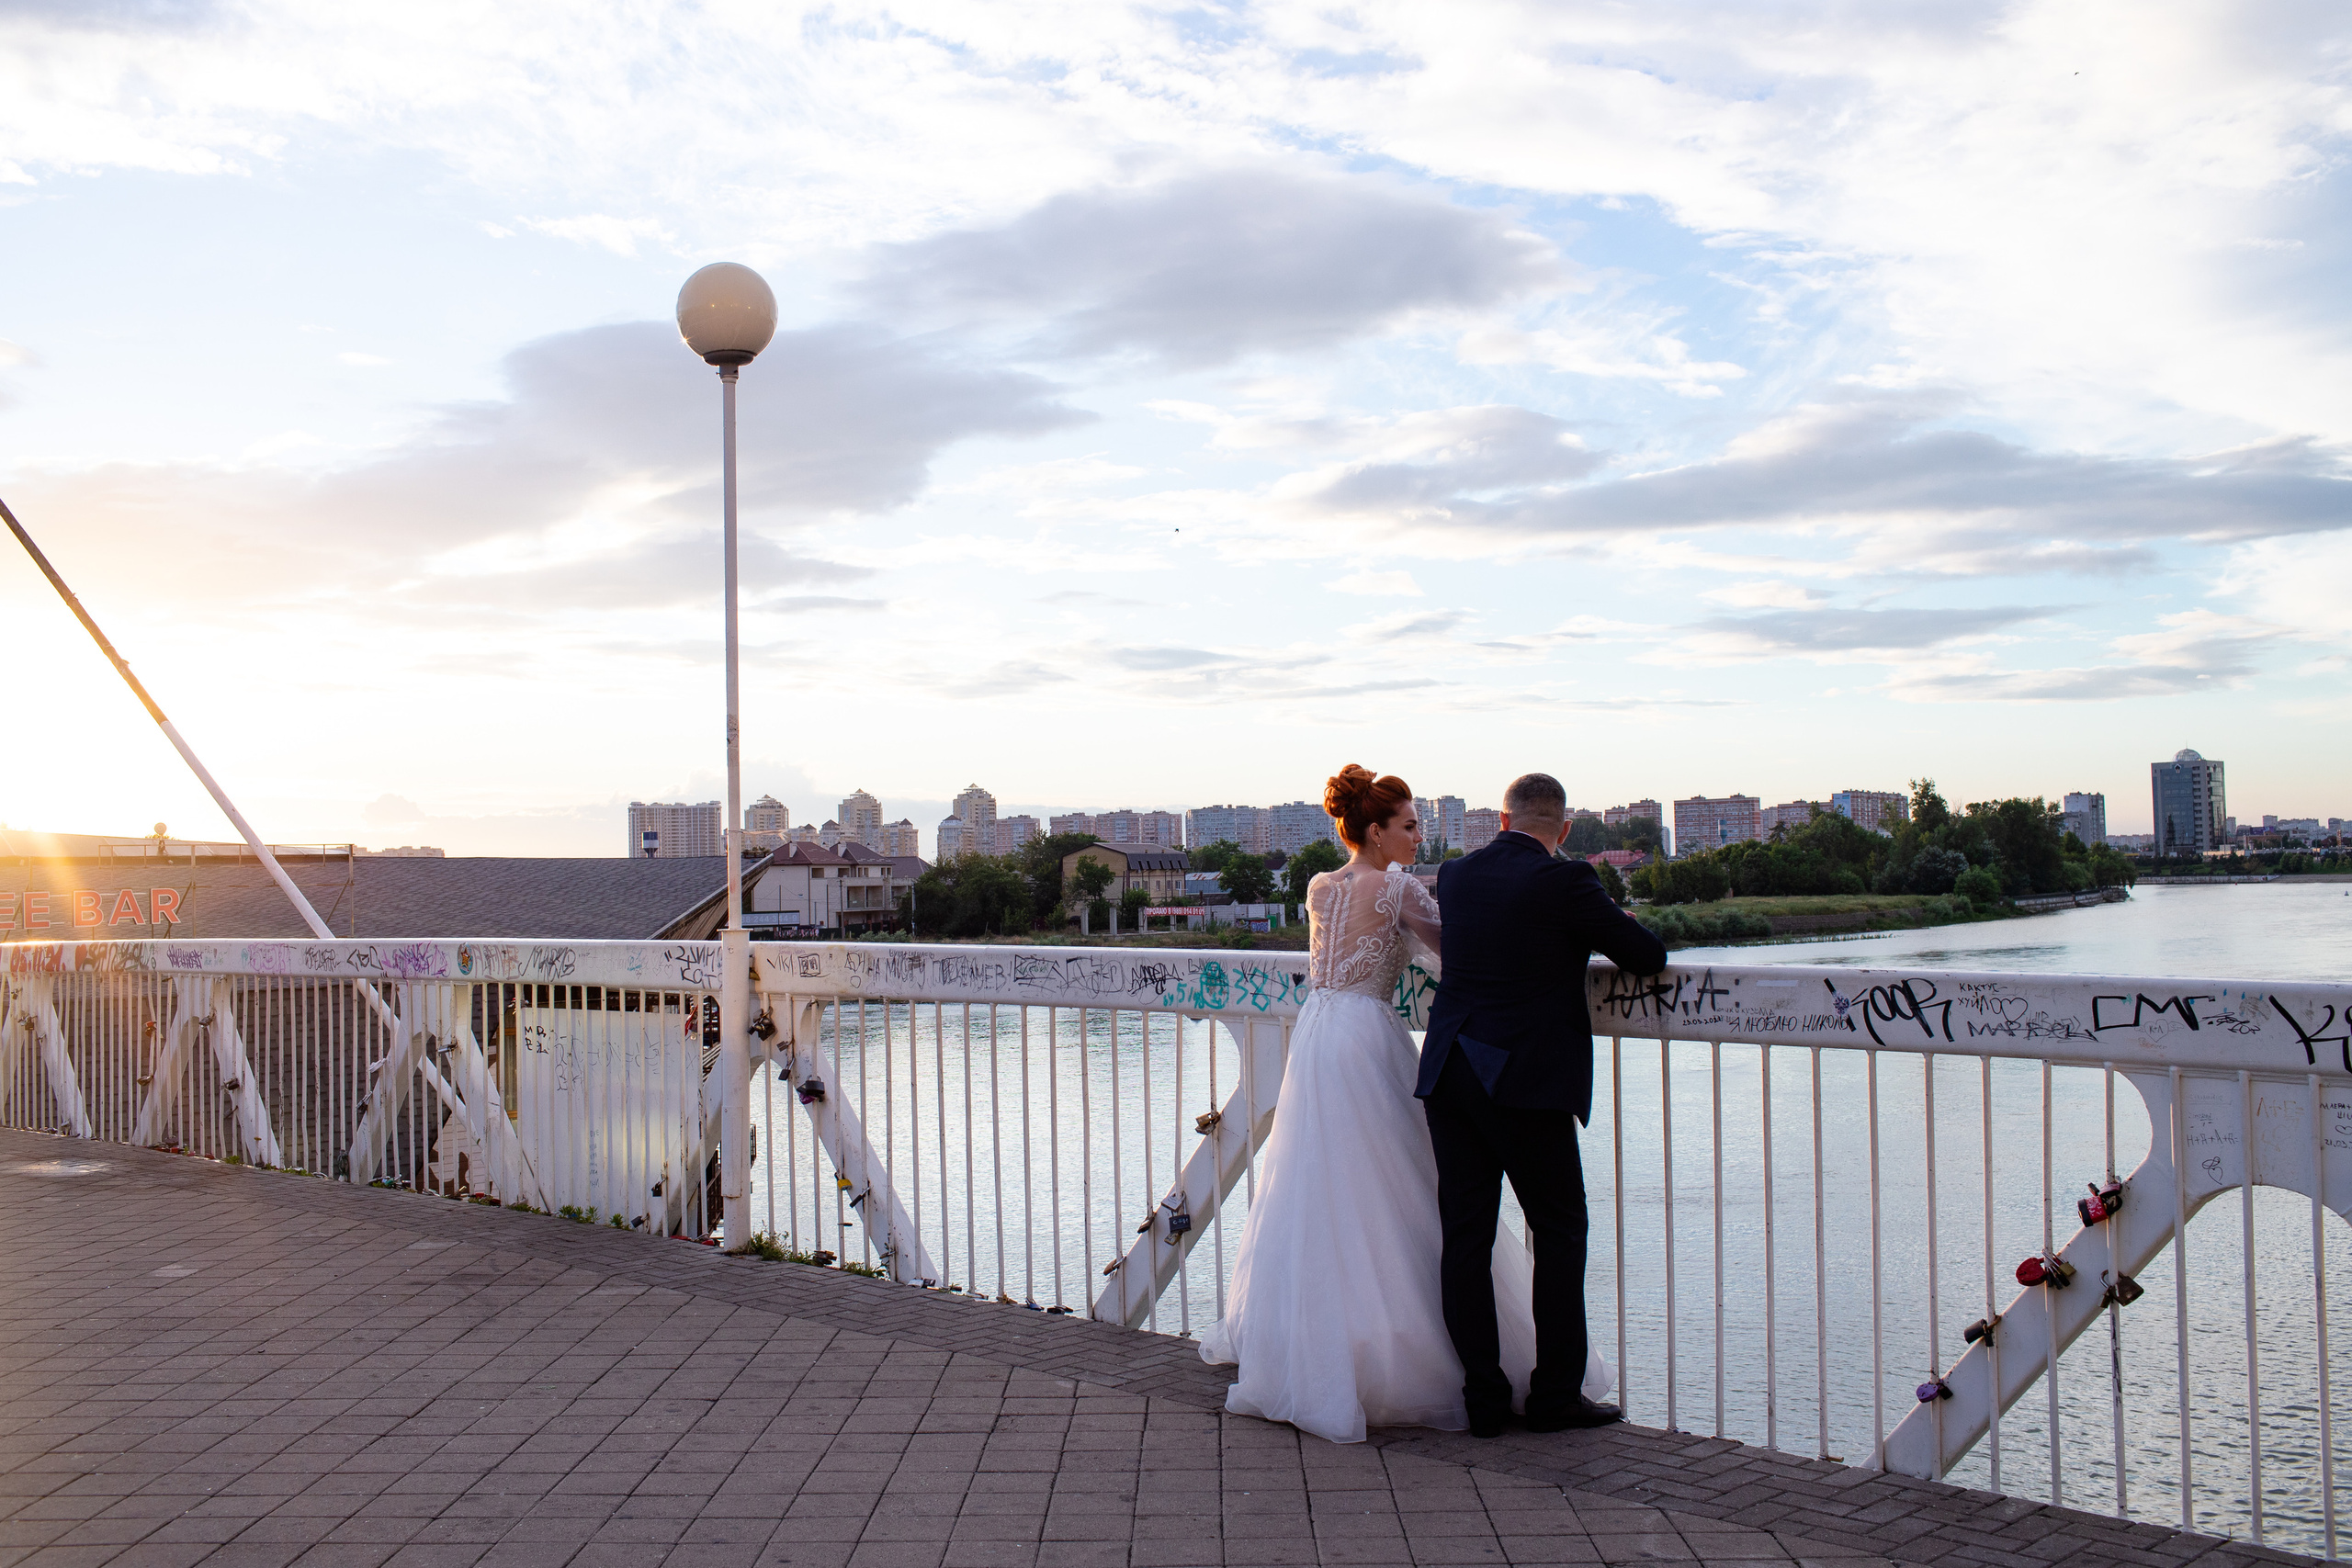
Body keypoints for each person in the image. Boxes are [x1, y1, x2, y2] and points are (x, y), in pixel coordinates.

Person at [1200, 765, 1600, 1443]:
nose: (1419, 837)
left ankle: (1316, 1346)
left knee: (1321, 1187)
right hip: (1365, 1034)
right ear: (1377, 831)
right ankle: (1413, 1354)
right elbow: (1458, 958)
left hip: (1318, 1033)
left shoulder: (1321, 886)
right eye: (1410, 826)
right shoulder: (1397, 887)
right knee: (1402, 1184)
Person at [1419, 772, 1669, 1437]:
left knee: (1465, 1237)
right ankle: (1555, 1394)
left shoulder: (1455, 875)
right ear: (1564, 829)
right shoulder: (1566, 880)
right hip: (1524, 1080)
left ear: (1503, 821)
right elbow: (1646, 955)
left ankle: (1484, 1399)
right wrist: (1607, 925)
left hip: (1450, 1071)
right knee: (1559, 1230)